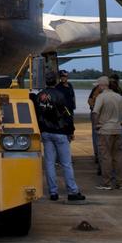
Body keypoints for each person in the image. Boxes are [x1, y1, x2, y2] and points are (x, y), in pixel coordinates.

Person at [35, 73, 85, 202]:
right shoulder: (60, 95)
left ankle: (53, 192)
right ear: (56, 81)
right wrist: (71, 130)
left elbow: (37, 114)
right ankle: (72, 191)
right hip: (60, 132)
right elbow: (67, 114)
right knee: (66, 163)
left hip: (46, 132)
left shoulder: (39, 96)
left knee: (49, 163)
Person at [93, 77, 122, 190]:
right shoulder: (119, 97)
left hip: (105, 130)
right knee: (118, 157)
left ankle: (106, 183)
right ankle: (121, 182)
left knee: (106, 157)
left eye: (98, 86)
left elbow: (95, 112)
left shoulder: (101, 97)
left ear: (102, 86)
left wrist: (96, 125)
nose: (97, 88)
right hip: (118, 129)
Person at [88, 75, 109, 175]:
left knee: (100, 143)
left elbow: (94, 110)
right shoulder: (115, 96)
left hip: (101, 122)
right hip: (111, 125)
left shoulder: (100, 96)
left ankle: (103, 168)